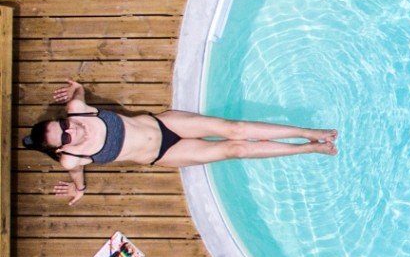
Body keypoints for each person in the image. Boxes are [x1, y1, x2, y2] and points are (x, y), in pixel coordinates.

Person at [22, 80, 337, 205]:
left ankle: (308, 131)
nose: (73, 129)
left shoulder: (78, 111)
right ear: (62, 148)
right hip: (165, 153)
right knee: (236, 149)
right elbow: (77, 177)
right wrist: (77, 189)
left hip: (164, 123)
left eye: (64, 124)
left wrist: (75, 89)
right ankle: (307, 148)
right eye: (66, 136)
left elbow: (78, 93)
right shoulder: (71, 159)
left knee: (235, 128)